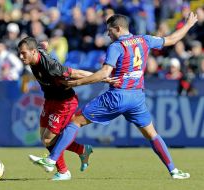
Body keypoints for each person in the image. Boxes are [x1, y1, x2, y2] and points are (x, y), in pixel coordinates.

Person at [31, 12, 198, 179]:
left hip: (117, 96)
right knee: (152, 134)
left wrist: (76, 83)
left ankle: (52, 160)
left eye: (109, 30)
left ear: (118, 28)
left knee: (75, 121)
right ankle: (174, 171)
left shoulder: (116, 46)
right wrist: (189, 25)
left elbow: (104, 73)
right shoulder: (144, 39)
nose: (107, 34)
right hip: (137, 98)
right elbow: (172, 39)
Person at [17, 37, 94, 180]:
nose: (21, 57)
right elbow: (43, 44)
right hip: (50, 99)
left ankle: (64, 172)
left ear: (33, 52)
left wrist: (101, 76)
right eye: (19, 53)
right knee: (44, 137)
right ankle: (82, 150)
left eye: (23, 53)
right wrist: (46, 44)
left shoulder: (51, 66)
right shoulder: (35, 54)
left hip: (65, 102)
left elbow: (74, 72)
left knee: (48, 140)